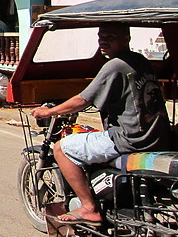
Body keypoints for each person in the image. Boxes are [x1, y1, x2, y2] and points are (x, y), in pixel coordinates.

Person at [31, 23, 172, 225]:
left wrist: (50, 111)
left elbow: (83, 100)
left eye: (110, 36)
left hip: (129, 140)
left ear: (126, 39)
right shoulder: (140, 61)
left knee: (61, 148)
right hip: (155, 137)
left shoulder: (115, 65)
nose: (103, 41)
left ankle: (89, 207)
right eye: (100, 36)